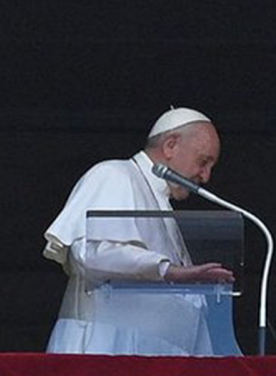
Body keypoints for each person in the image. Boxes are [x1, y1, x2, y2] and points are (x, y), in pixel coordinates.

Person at [42, 107, 237, 355]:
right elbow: (91, 254)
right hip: (107, 349)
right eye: (203, 161)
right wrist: (169, 271)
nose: (206, 176)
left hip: (158, 357)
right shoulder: (114, 175)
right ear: (170, 146)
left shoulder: (164, 205)